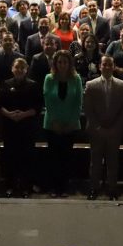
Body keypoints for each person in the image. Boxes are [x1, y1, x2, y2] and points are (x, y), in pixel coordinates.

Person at [84, 55, 123, 200]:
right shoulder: (91, 85)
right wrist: (98, 126)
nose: (107, 67)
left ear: (114, 66)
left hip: (115, 130)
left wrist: (115, 126)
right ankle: (94, 188)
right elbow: (88, 109)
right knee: (95, 161)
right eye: (104, 64)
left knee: (113, 161)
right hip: (96, 130)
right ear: (100, 66)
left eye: (110, 64)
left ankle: (112, 189)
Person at [43, 50, 83, 197]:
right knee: (53, 158)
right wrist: (55, 122)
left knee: (67, 157)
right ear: (55, 63)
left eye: (65, 62)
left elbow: (78, 103)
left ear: (69, 63)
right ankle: (54, 187)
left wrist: (70, 122)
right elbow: (48, 101)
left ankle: (65, 187)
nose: (62, 65)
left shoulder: (76, 79)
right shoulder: (49, 78)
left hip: (70, 125)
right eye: (59, 62)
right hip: (52, 125)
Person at [0, 57, 41, 198]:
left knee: (27, 158)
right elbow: (0, 105)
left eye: (22, 68)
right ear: (12, 68)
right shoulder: (6, 84)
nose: (19, 70)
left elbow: (37, 107)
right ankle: (10, 186)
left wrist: (23, 115)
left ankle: (26, 187)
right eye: (17, 67)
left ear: (26, 69)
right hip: (10, 127)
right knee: (10, 157)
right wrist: (9, 114)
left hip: (27, 127)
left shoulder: (33, 85)